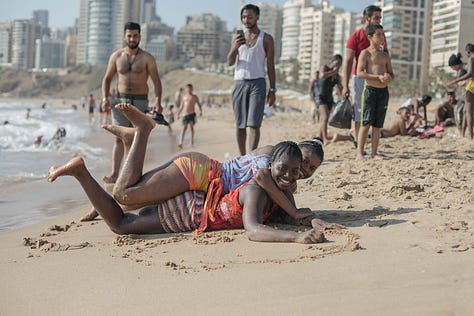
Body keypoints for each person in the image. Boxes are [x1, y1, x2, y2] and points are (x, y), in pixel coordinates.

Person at [48, 140, 338, 243]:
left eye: (305, 169)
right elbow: (255, 228)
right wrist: (298, 235)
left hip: (202, 193)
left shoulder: (277, 185)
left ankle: (91, 183)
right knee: (124, 214)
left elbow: (294, 212)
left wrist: (311, 220)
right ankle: (135, 136)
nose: (296, 174)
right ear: (273, 162)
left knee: (128, 202)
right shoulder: (259, 184)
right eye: (291, 167)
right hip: (197, 200)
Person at [78, 103, 325, 222]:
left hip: (203, 185)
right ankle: (141, 131)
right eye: (303, 161)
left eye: (311, 168)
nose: (304, 170)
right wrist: (293, 211)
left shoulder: (285, 180)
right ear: (293, 148)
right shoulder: (274, 158)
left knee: (137, 196)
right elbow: (260, 179)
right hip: (201, 172)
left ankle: (103, 198)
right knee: (126, 194)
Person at [101, 22, 168, 184]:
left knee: (136, 139)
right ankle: (115, 174)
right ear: (124, 36)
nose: (132, 38)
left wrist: (158, 101)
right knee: (119, 138)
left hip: (140, 102)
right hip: (119, 101)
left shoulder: (147, 58)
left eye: (135, 35)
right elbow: (107, 78)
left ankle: (131, 176)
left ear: (140, 36)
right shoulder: (116, 56)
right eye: (129, 35)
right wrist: (104, 98)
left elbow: (157, 82)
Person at [227, 4, 276, 155]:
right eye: (243, 17)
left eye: (249, 16)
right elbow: (229, 62)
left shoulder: (266, 39)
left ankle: (251, 156)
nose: (246, 20)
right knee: (240, 125)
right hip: (239, 82)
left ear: (257, 17)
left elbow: (270, 65)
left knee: (254, 124)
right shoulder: (237, 38)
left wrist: (273, 89)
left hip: (258, 83)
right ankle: (242, 158)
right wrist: (235, 47)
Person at [342, 5, 384, 148]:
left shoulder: (380, 36)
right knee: (360, 112)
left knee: (375, 112)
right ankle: (360, 146)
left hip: (378, 80)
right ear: (367, 18)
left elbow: (386, 56)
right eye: (376, 17)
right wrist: (345, 85)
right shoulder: (355, 37)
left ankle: (367, 144)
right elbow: (347, 63)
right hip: (359, 79)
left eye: (380, 17)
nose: (379, 20)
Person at [356, 24, 393, 160]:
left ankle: (374, 152)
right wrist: (378, 77)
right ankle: (359, 153)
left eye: (383, 34)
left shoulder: (385, 55)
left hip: (383, 92)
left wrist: (388, 77)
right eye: (379, 34)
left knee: (377, 125)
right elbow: (360, 73)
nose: (382, 37)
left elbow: (391, 73)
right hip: (370, 91)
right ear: (370, 37)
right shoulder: (365, 53)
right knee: (366, 123)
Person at [315, 55, 343, 144]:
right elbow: (322, 75)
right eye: (337, 63)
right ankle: (325, 138)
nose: (338, 66)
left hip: (329, 98)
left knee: (325, 119)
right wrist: (333, 71)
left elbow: (340, 88)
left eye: (340, 65)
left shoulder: (336, 76)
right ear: (332, 61)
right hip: (320, 97)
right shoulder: (325, 68)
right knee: (324, 117)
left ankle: (319, 137)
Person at [448, 43, 474, 139]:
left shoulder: (471, 59)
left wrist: (455, 81)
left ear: (468, 52)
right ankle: (463, 134)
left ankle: (471, 137)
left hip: (471, 87)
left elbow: (470, 74)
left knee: (468, 112)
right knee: (465, 111)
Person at [176, 84, 202, 149]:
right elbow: (181, 106)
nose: (189, 90)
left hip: (192, 114)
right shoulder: (184, 97)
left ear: (192, 89)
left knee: (191, 127)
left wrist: (201, 111)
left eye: (190, 88)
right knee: (184, 128)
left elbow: (199, 104)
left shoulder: (194, 97)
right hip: (185, 114)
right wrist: (178, 114)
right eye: (188, 88)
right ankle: (180, 143)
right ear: (186, 89)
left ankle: (191, 142)